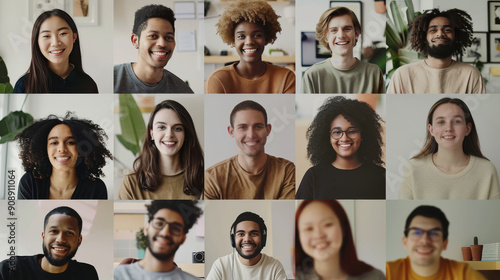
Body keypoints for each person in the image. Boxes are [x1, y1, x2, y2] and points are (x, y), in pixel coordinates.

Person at [399, 98, 499, 199]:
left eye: (457, 121)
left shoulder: (486, 170)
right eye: (441, 122)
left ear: (467, 129)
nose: (449, 128)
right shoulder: (414, 168)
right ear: (431, 129)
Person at [296, 96, 385, 199]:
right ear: (328, 137)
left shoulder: (380, 176)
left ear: (363, 135)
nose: (344, 138)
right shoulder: (314, 176)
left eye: (352, 131)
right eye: (337, 132)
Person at [204, 100, 295, 199]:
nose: (251, 135)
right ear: (231, 132)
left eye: (258, 127)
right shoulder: (212, 178)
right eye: (243, 127)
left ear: (268, 130)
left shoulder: (287, 171)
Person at [118, 100, 204, 199]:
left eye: (177, 128)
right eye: (162, 127)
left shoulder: (204, 180)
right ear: (152, 134)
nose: (169, 135)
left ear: (186, 135)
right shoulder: (131, 183)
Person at [205, 0, 295, 93]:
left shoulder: (286, 78)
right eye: (241, 36)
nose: (249, 42)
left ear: (266, 37)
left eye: (257, 35)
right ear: (233, 39)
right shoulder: (217, 79)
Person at [16, 112, 112, 199]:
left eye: (70, 142)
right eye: (54, 143)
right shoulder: (30, 182)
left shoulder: (96, 188)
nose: (62, 149)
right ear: (44, 149)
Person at [387, 8, 485, 93]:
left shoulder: (470, 74)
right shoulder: (403, 74)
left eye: (447, 30)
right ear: (423, 38)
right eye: (433, 30)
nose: (440, 34)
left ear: (456, 37)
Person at [386, 205, 487, 279]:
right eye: (416, 232)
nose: (425, 240)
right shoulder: (388, 272)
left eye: (434, 233)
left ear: (445, 243)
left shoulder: (463, 274)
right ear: (405, 241)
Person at [0, 206, 98, 279]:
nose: (60, 239)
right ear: (44, 236)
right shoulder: (10, 269)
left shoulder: (87, 274)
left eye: (69, 233)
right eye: (54, 231)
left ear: (79, 240)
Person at [295, 200, 385, 280]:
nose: (318, 235)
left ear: (343, 228)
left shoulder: (375, 277)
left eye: (328, 224)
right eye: (309, 228)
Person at [13, 9, 98, 93]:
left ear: (74, 37)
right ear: (37, 41)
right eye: (46, 36)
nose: (55, 43)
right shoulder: (24, 85)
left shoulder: (88, 84)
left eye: (62, 34)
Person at [302, 7, 384, 93]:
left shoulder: (374, 73)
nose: (341, 35)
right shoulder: (312, 75)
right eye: (334, 30)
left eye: (347, 29)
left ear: (356, 34)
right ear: (326, 37)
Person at [114, 4, 193, 93]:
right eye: (153, 36)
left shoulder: (183, 90)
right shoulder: (112, 79)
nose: (162, 43)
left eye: (168, 37)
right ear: (135, 41)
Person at [114, 200, 202, 280]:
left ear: (183, 238)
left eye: (175, 228)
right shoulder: (117, 276)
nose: (165, 233)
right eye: (159, 223)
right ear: (146, 229)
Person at [206, 211, 287, 280]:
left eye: (254, 234)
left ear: (263, 238)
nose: (247, 239)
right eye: (241, 234)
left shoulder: (275, 267)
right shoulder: (221, 265)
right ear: (233, 239)